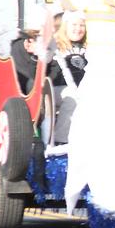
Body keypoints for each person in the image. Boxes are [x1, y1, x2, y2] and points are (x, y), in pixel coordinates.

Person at [49, 10, 88, 147]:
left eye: (82, 25)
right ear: (65, 26)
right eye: (74, 25)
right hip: (57, 90)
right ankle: (61, 140)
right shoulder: (55, 46)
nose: (78, 29)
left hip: (83, 90)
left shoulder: (89, 48)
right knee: (72, 96)